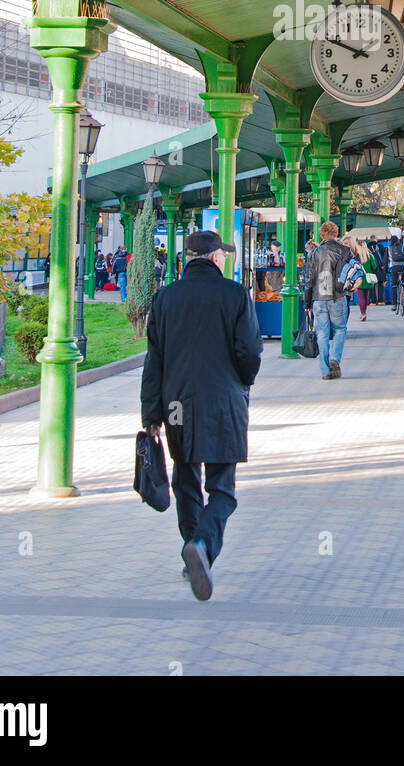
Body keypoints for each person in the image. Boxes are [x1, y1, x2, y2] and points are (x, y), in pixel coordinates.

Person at [140, 229, 262, 602]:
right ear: (213, 258)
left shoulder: (165, 298)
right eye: (222, 255)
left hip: (177, 405)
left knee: (186, 480)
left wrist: (151, 413)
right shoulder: (235, 294)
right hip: (224, 403)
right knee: (222, 490)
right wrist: (242, 383)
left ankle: (192, 548)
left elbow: (154, 361)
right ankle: (203, 545)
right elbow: (250, 351)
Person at [301, 221, 353, 379]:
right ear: (336, 234)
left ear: (321, 235)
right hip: (337, 296)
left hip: (319, 297)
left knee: (322, 333)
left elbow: (309, 280)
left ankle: (325, 371)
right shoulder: (345, 251)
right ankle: (334, 359)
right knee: (340, 329)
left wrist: (307, 302)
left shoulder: (314, 253)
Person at [340, 234, 369, 319]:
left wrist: (355, 283)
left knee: (346, 303)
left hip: (350, 282)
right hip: (340, 281)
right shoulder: (340, 253)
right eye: (343, 243)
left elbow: (358, 269)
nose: (344, 245)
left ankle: (344, 323)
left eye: (346, 243)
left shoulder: (355, 254)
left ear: (351, 244)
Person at [388, 232, 404, 313]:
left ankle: (394, 305)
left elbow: (386, 260)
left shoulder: (389, 248)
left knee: (394, 285)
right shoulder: (402, 247)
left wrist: (386, 269)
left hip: (394, 267)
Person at [367, 235, 387, 303]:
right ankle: (380, 301)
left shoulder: (367, 247)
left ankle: (372, 301)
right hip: (380, 268)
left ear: (370, 239)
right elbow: (385, 256)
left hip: (370, 268)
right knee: (380, 284)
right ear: (376, 239)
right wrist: (383, 265)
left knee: (372, 284)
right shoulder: (380, 246)